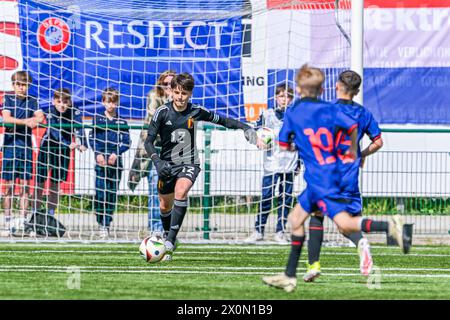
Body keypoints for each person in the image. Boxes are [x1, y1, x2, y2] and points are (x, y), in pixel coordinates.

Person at [262, 64, 411, 293]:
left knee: (343, 224)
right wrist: (353, 153)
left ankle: (390, 225)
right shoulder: (332, 111)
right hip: (332, 173)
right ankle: (290, 275)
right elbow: (351, 129)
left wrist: (289, 142)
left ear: (300, 89)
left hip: (320, 178)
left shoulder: (295, 111)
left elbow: (284, 145)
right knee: (297, 219)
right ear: (323, 89)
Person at [144, 73, 258, 260]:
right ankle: (168, 236)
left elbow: (223, 121)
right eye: (177, 92)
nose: (180, 97)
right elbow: (148, 142)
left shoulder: (196, 111)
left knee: (181, 191)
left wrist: (245, 127)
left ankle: (170, 241)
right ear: (171, 91)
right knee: (164, 206)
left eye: (185, 93)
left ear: (190, 94)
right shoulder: (161, 112)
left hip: (189, 163)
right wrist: (157, 161)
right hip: (166, 164)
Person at [304, 70, 384, 282]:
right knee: (346, 224)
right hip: (349, 176)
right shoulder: (364, 114)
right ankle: (361, 244)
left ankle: (313, 265)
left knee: (317, 215)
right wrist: (362, 155)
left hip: (325, 174)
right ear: (357, 92)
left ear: (337, 86)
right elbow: (378, 141)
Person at [245, 83, 299, 244]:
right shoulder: (267, 115)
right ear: (276, 97)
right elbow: (253, 132)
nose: (285, 99)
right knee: (266, 197)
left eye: (288, 96)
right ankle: (258, 230)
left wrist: (299, 163)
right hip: (271, 164)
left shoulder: (297, 117)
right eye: (282, 96)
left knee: (285, 198)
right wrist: (258, 141)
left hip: (290, 163)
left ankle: (280, 231)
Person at [128, 70, 176, 236]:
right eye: (166, 83)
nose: (169, 87)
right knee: (157, 188)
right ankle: (156, 228)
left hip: (173, 152)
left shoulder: (181, 99)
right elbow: (156, 118)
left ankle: (168, 227)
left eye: (172, 83)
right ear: (160, 84)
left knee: (173, 192)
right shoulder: (154, 96)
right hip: (155, 150)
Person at [1, 71, 44, 235]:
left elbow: (41, 117)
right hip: (11, 147)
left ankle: (24, 221)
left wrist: (36, 119)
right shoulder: (8, 99)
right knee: (10, 187)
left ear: (28, 86)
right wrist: (26, 122)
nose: (21, 87)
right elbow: (6, 119)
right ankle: (7, 222)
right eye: (18, 84)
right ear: (13, 85)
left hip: (25, 148)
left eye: (24, 84)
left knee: (25, 187)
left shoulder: (32, 101)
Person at [34, 88, 88, 216]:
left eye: (65, 101)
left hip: (63, 152)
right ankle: (34, 212)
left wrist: (83, 144)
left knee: (55, 184)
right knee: (40, 183)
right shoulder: (50, 112)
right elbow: (54, 132)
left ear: (69, 101)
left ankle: (50, 214)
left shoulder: (74, 112)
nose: (62, 105)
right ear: (54, 101)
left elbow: (79, 128)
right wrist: (67, 143)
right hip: (48, 149)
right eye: (59, 101)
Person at [89, 88, 131, 239]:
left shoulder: (122, 121)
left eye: (113, 102)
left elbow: (127, 142)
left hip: (115, 163)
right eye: (108, 102)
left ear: (117, 102)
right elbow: (92, 138)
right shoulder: (97, 119)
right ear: (103, 102)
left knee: (111, 195)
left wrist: (116, 153)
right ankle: (100, 222)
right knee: (100, 194)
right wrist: (98, 154)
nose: (111, 105)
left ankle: (106, 224)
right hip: (101, 162)